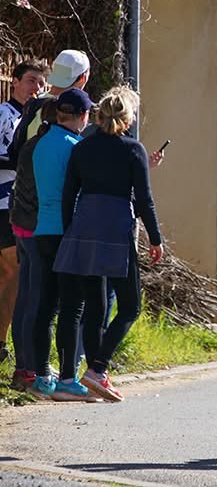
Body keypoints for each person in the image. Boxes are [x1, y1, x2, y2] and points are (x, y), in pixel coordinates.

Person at [54, 86, 162, 402]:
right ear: (127, 119)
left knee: (94, 306)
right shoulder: (133, 150)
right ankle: (97, 368)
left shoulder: (82, 148)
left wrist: (68, 231)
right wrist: (155, 239)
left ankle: (93, 378)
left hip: (84, 226)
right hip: (117, 230)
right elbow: (144, 199)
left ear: (99, 116)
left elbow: (68, 194)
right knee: (130, 306)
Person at [28, 88, 95, 401]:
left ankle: (42, 375)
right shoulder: (75, 147)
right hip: (67, 232)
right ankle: (68, 379)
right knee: (72, 305)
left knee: (46, 304)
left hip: (42, 230)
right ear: (82, 117)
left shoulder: (42, 143)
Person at [0, 58, 48, 366]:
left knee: (12, 274)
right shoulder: (4, 115)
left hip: (21, 207)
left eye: (41, 83)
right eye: (31, 80)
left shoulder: (40, 118)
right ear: (15, 81)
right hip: (2, 203)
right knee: (12, 272)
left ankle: (3, 342)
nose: (37, 88)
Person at [8, 99, 56, 392]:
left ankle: (23, 369)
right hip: (38, 229)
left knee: (26, 298)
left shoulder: (29, 145)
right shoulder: (50, 148)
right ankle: (36, 370)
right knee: (39, 302)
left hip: (21, 227)